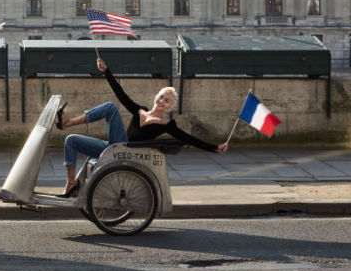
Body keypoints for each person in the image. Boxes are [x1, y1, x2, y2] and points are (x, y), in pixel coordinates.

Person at [55, 58, 228, 197]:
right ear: (156, 98)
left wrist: (214, 148)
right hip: (112, 148)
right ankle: (71, 184)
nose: (161, 101)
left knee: (109, 107)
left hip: (126, 151)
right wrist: (106, 71)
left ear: (169, 107)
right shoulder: (141, 111)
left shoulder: (167, 124)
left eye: (166, 101)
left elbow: (187, 138)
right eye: (161, 97)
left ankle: (68, 122)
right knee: (70, 140)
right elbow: (121, 94)